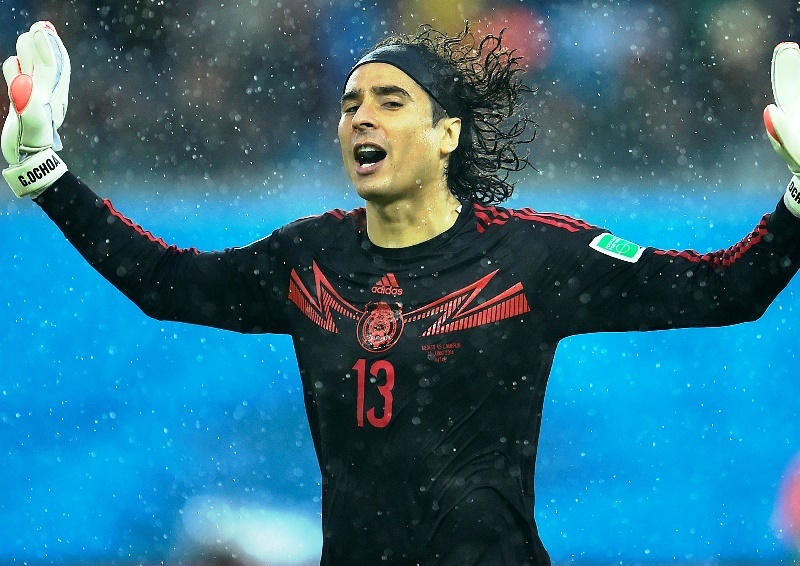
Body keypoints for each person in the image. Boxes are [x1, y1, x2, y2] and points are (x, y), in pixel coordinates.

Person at [4, 20, 800, 566]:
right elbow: (164, 282)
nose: (361, 118)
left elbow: (729, 289)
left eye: (390, 101)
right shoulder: (308, 258)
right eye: (350, 104)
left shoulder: (534, 254)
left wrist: (798, 201)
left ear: (447, 133)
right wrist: (48, 176)